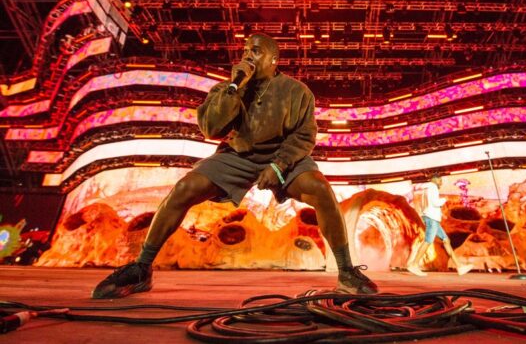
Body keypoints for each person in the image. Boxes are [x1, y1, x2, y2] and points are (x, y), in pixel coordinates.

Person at [92, 33, 378, 298]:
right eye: (244, 50)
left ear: (273, 59)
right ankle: (141, 268)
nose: (247, 55)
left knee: (320, 189)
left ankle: (346, 272)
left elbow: (304, 136)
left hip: (284, 155)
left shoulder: (296, 91)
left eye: (256, 50)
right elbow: (211, 128)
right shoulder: (228, 87)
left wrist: (278, 166)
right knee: (184, 188)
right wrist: (233, 88)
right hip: (237, 155)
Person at [406, 174, 473, 277]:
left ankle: (460, 266)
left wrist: (441, 214)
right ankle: (414, 264)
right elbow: (435, 202)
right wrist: (445, 199)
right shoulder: (432, 187)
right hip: (432, 219)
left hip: (433, 219)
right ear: (435, 180)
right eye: (440, 181)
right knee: (428, 241)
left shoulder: (426, 189)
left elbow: (429, 204)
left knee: (446, 240)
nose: (441, 183)